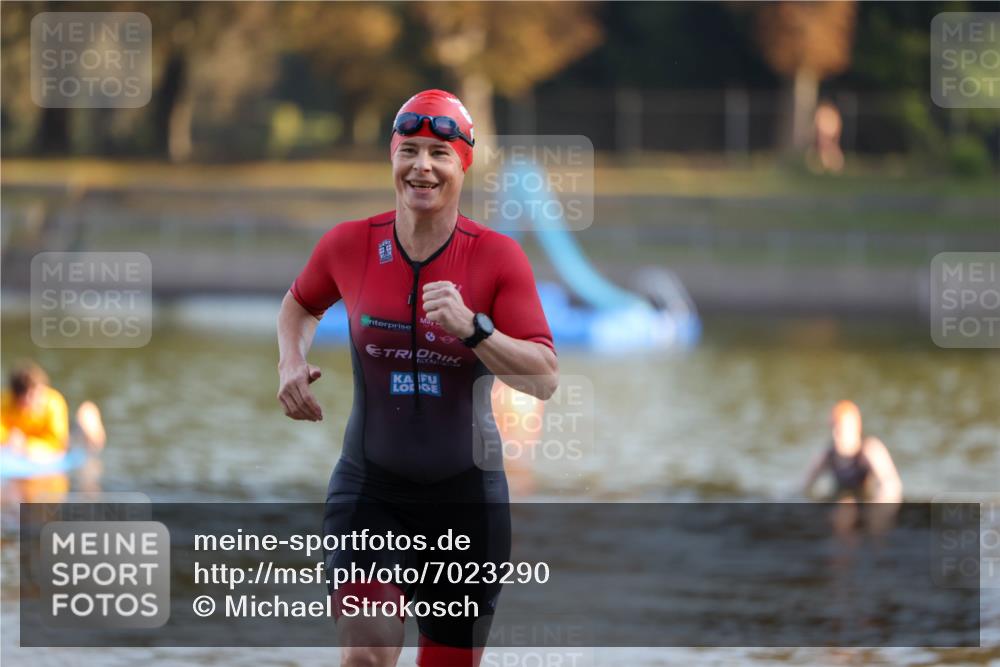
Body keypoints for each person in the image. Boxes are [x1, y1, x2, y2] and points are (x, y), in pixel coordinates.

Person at [276, 89, 558, 667]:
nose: (422, 166)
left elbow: (545, 378)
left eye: (439, 153)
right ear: (392, 156)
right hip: (370, 489)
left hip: (467, 503)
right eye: (410, 151)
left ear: (463, 165)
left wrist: (474, 329)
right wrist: (290, 361)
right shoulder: (349, 244)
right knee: (368, 652)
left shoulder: (497, 258)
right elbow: (299, 306)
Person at [801, 400, 902, 503]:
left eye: (840, 430)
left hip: (866, 501)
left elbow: (891, 485)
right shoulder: (828, 454)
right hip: (840, 499)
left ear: (855, 427)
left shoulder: (870, 450)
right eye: (832, 428)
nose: (834, 435)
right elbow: (805, 486)